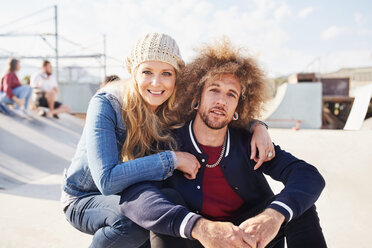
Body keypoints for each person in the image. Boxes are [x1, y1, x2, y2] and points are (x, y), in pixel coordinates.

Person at [61, 33, 275, 248]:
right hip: (84, 197)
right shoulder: (107, 104)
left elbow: (213, 111)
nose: (156, 82)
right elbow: (107, 181)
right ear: (133, 72)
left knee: (157, 212)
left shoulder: (170, 105)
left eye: (166, 73)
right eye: (147, 72)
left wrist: (257, 126)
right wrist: (171, 160)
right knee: (131, 222)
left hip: (130, 194)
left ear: (176, 77)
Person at [119, 40, 328, 248]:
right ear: (197, 97)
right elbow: (136, 195)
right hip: (198, 239)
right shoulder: (167, 140)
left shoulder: (249, 142)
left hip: (250, 238)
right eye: (214, 90)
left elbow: (308, 175)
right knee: (167, 200)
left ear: (239, 106)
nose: (221, 101)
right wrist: (200, 227)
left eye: (231, 94)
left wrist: (274, 216)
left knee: (299, 204)